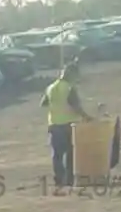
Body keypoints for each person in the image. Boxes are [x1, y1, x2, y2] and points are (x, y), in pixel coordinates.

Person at [41, 61, 96, 190]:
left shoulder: (51, 87)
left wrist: (55, 105)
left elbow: (43, 103)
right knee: (71, 153)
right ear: (71, 74)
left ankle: (59, 180)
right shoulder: (69, 88)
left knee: (57, 155)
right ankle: (69, 180)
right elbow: (75, 105)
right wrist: (86, 117)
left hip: (54, 124)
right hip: (69, 125)